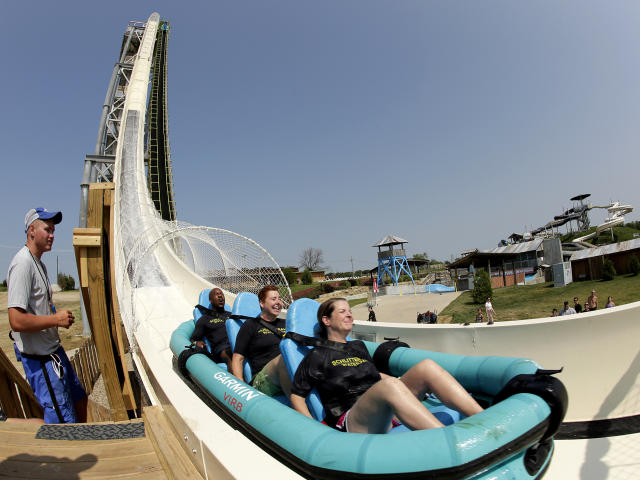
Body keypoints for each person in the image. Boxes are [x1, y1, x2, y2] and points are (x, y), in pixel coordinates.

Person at [290, 298, 483, 433]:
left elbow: (376, 375)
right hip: (354, 420)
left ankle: (483, 420)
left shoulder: (358, 346)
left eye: (350, 311)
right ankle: (448, 440)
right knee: (389, 386)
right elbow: (297, 396)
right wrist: (316, 432)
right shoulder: (316, 356)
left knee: (427, 367)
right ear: (326, 320)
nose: (349, 315)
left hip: (383, 409)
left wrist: (405, 386)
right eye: (342, 312)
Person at [7, 208, 88, 424]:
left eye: (53, 230)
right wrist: (55, 320)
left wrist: (56, 318)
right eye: (47, 229)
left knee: (79, 400)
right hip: (42, 362)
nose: (52, 235)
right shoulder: (22, 264)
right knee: (63, 422)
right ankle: (68, 456)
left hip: (54, 353)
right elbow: (16, 320)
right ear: (31, 231)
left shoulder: (39, 264)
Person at [231, 285, 291, 396]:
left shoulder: (287, 324)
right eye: (273, 299)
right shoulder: (250, 325)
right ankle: (298, 409)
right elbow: (238, 358)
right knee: (283, 359)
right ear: (262, 303)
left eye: (279, 299)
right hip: (263, 378)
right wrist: (240, 387)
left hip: (289, 372)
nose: (278, 302)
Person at [190, 288, 232, 369]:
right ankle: (237, 381)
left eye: (221, 294)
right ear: (210, 300)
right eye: (216, 294)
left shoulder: (232, 315)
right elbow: (193, 339)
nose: (220, 296)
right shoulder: (204, 319)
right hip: (221, 349)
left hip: (236, 344)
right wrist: (197, 343)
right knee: (230, 353)